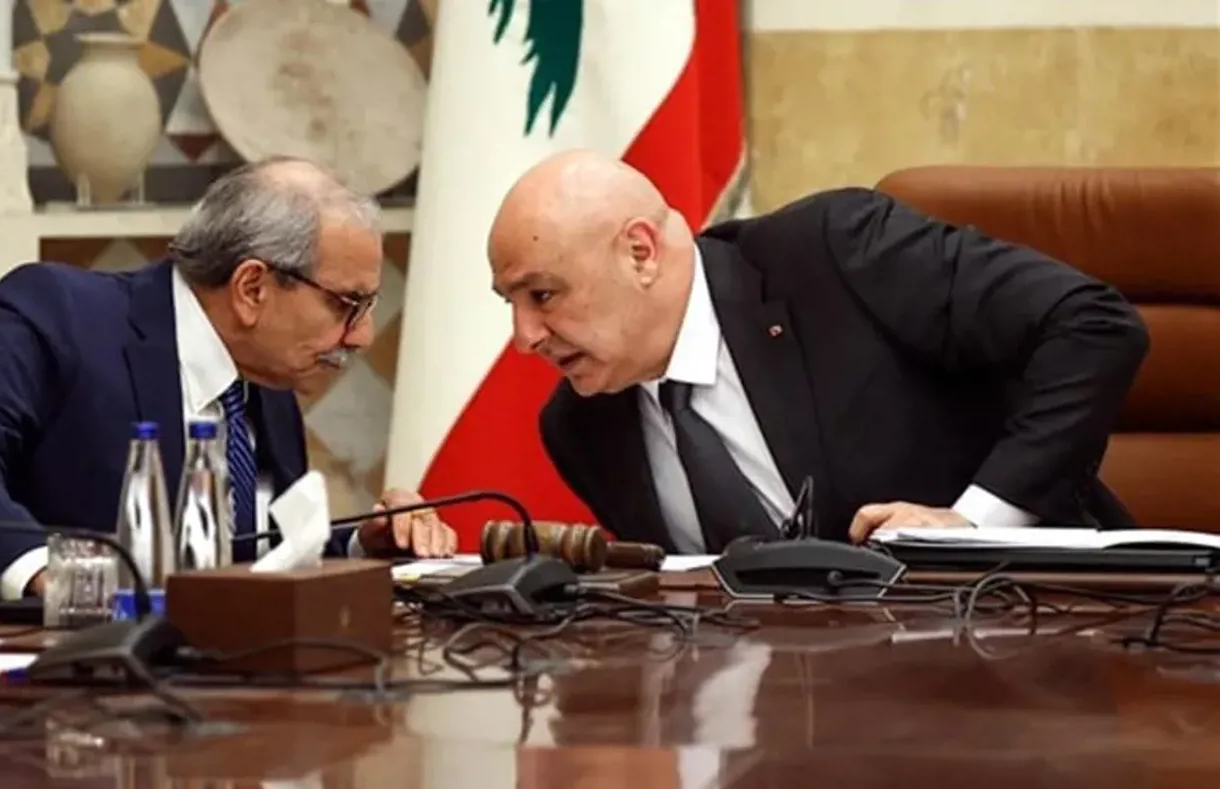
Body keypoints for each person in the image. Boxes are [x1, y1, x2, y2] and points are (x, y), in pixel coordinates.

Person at [487, 150, 1149, 555]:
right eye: (509, 302)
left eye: (542, 294)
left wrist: (971, 524)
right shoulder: (581, 427)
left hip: (1020, 649)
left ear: (641, 252)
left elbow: (1093, 324)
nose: (525, 336)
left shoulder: (834, 254)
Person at [0, 157, 457, 611]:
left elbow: (261, 552)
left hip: (195, 684)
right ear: (252, 289)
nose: (362, 336)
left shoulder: (268, 378)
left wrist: (363, 543)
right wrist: (51, 578)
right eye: (347, 305)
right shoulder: (58, 314)